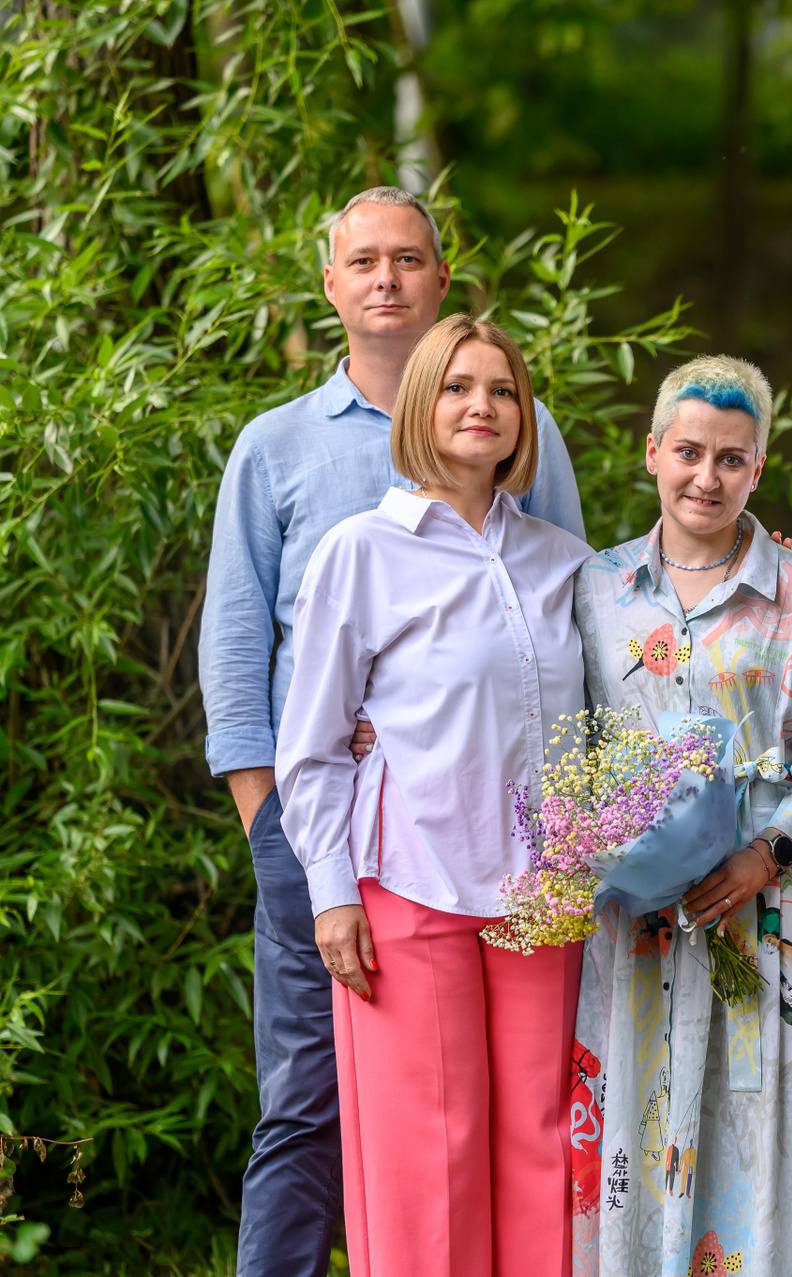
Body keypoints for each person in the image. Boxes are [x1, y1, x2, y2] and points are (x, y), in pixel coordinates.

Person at [198, 186, 583, 1277]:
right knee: (324, 1108)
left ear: (440, 277)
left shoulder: (547, 533)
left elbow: (595, 643)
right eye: (363, 260)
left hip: (531, 869)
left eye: (407, 258)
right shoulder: (292, 465)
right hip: (357, 843)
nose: (385, 277)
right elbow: (244, 656)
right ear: (330, 283)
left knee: (534, 1124)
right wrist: (285, 837)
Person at [275, 315, 593, 1274]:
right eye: (457, 386)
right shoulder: (360, 552)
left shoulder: (563, 561)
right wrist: (331, 892)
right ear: (421, 405)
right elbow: (312, 742)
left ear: (524, 416)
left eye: (501, 390)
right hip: (409, 883)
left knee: (545, 1140)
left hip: (544, 892)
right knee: (428, 1151)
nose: (480, 405)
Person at [568, 356, 792, 1276]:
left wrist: (767, 851)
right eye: (689, 452)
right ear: (652, 452)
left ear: (759, 466)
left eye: (731, 459)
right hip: (644, 916)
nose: (707, 477)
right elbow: (563, 724)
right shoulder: (597, 589)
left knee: (774, 1120)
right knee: (648, 1109)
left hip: (770, 902)